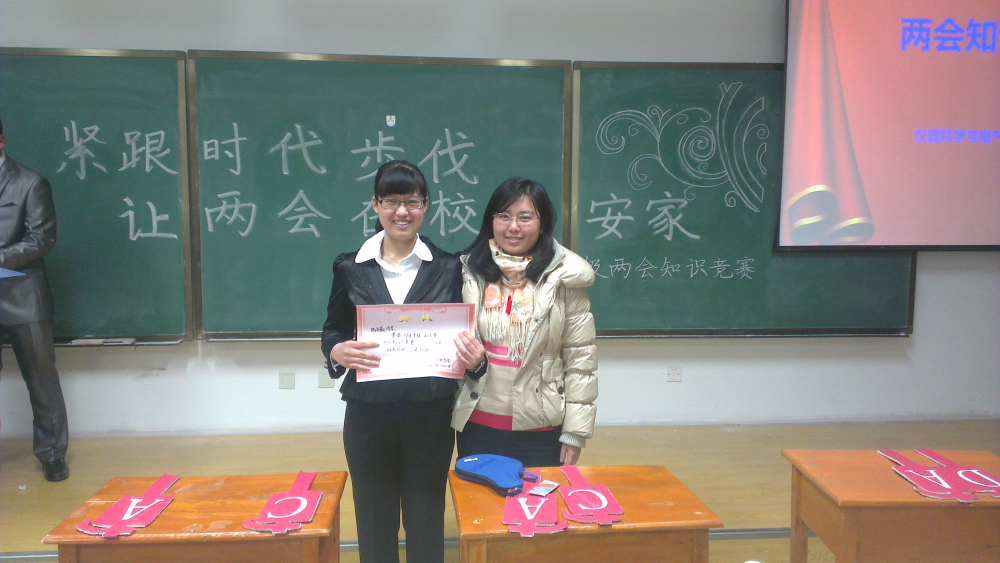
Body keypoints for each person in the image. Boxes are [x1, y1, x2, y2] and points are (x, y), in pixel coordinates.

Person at [321, 160, 479, 563]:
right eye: (391, 201)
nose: (402, 211)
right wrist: (337, 351)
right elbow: (333, 329)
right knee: (374, 520)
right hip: (368, 413)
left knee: (426, 518)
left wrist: (473, 357)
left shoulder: (448, 267)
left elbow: (464, 334)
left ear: (426, 205)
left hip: (430, 412)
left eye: (412, 201)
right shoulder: (350, 267)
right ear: (375, 205)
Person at [452, 177, 598, 468]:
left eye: (525, 217)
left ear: (542, 224)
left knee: (537, 498)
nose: (513, 227)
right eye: (504, 216)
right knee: (479, 498)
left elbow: (580, 360)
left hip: (541, 428)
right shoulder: (469, 272)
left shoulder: (564, 280)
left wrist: (575, 432)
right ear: (491, 221)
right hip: (477, 423)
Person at [0, 117, 70, 482]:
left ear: (1, 141)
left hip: (22, 295)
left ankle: (52, 454)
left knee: (41, 379)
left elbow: (42, 239)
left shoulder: (30, 182)